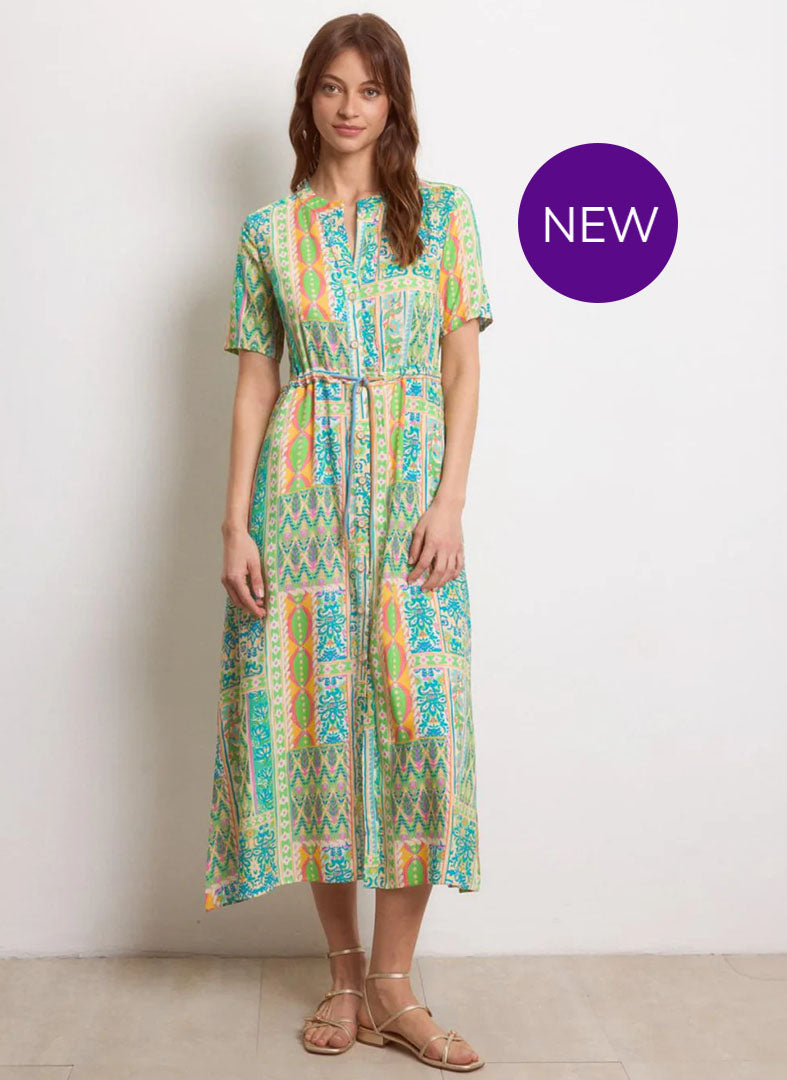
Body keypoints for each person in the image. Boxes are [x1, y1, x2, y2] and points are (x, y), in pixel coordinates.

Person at [202, 12, 492, 1072]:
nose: (350, 106)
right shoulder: (267, 234)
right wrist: (235, 522)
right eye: (332, 87)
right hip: (300, 499)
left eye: (370, 88)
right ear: (308, 100)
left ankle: (396, 988)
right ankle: (343, 975)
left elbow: (462, 367)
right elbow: (255, 384)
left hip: (411, 500)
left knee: (417, 724)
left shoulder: (444, 217)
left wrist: (450, 501)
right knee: (318, 723)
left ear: (394, 101)